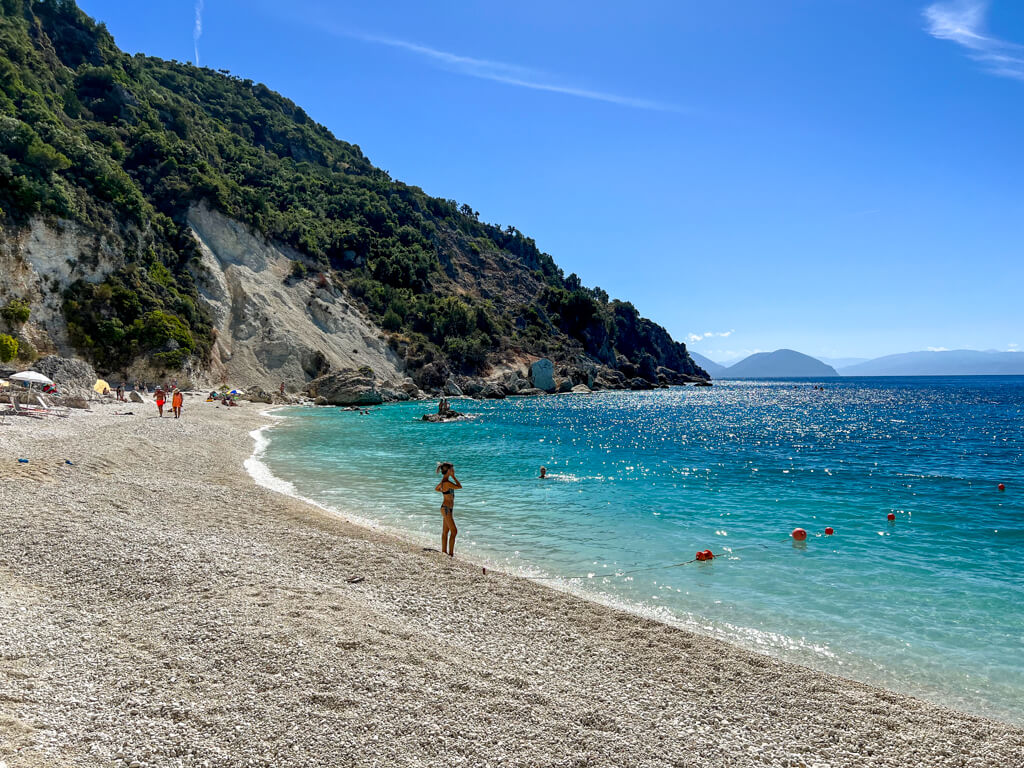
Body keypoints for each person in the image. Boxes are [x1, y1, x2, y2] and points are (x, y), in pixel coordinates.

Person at [434, 462, 462, 557]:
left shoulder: (444, 482)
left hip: (446, 509)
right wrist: (454, 477)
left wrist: (443, 490)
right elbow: (459, 486)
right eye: (452, 469)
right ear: (449, 471)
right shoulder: (447, 483)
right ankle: (450, 554)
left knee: (446, 531)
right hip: (446, 509)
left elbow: (437, 489)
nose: (454, 471)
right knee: (454, 531)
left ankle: (444, 552)